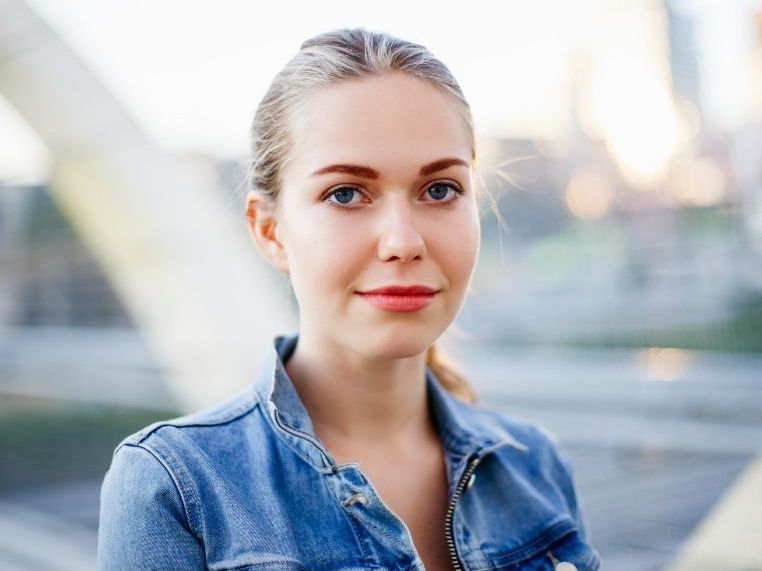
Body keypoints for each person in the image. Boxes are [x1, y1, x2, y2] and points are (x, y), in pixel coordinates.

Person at [97, 28, 601, 571]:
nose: (404, 241)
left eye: (440, 190)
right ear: (269, 231)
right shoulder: (177, 490)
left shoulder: (535, 466)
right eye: (345, 194)